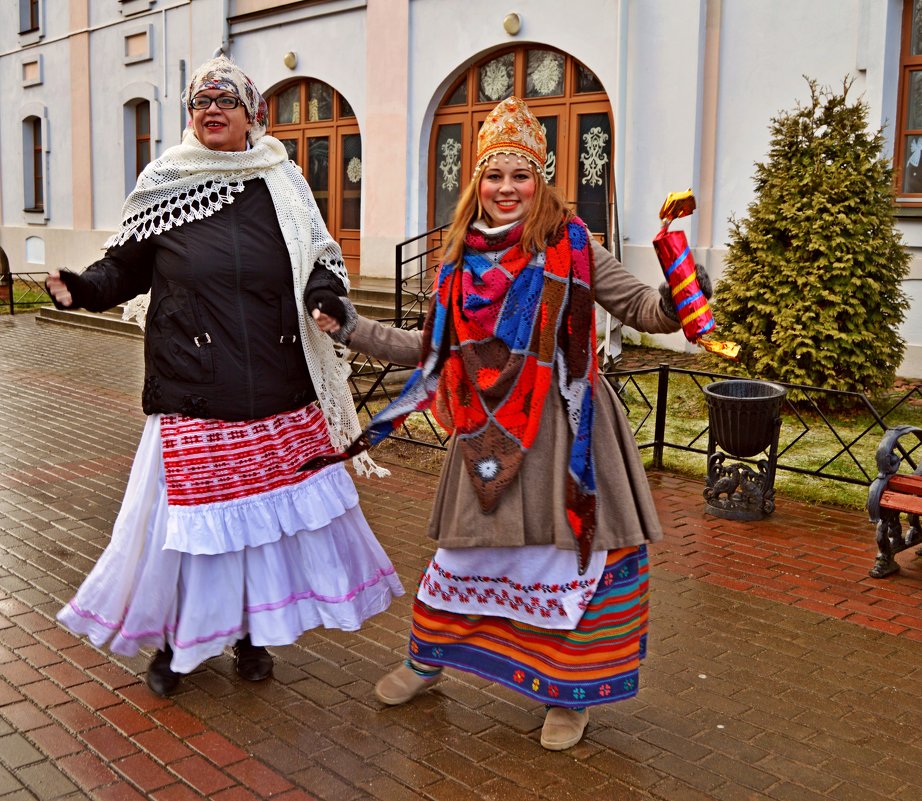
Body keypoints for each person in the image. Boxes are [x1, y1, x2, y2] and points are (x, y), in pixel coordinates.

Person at [312, 96, 691, 751]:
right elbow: (427, 345)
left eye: (520, 175)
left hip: (572, 434)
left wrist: (685, 281)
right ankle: (426, 662)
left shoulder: (577, 246)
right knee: (465, 556)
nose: (507, 188)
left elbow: (648, 311)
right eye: (494, 175)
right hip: (489, 435)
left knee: (571, 562)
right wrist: (351, 326)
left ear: (539, 178)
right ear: (477, 183)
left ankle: (569, 698)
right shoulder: (461, 264)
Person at [47, 56, 402, 696]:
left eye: (226, 101)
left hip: (273, 382)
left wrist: (324, 292)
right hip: (194, 385)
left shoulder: (283, 181)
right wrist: (81, 288)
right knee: (187, 536)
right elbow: (122, 267)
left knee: (256, 529)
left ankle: (248, 635)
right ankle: (175, 647)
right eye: (201, 102)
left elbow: (318, 252)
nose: (212, 111)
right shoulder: (166, 182)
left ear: (252, 115)